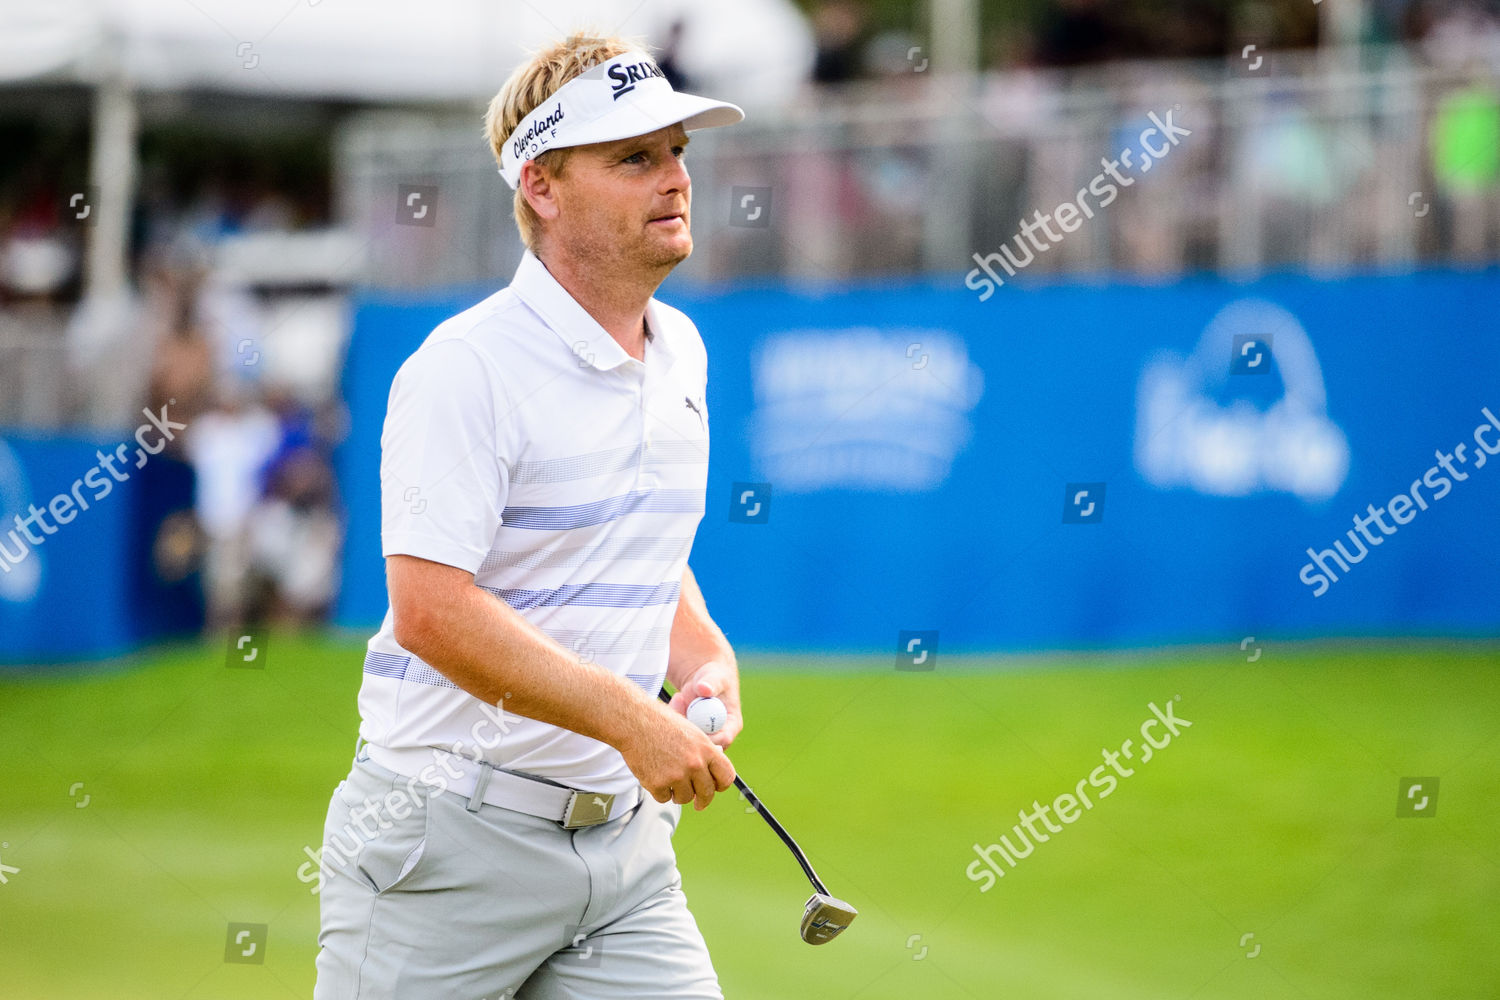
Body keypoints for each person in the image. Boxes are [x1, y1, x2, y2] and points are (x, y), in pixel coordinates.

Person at [312, 33, 746, 999]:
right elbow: (431, 610)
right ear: (542, 186)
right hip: (443, 851)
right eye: (633, 157)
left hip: (624, 861)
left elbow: (630, 537)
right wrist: (633, 719)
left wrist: (701, 654)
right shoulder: (465, 369)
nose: (674, 178)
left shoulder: (682, 352)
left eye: (677, 151)